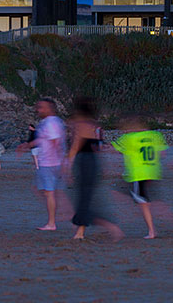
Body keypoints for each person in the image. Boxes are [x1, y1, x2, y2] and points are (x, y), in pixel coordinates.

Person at [67, 98, 122, 241]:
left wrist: (67, 166)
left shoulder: (80, 125)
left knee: (84, 197)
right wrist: (103, 168)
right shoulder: (95, 126)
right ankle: (81, 230)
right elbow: (98, 148)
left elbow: (75, 146)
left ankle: (104, 228)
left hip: (83, 161)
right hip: (93, 162)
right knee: (87, 197)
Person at [112, 115, 169, 239]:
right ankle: (169, 221)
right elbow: (163, 153)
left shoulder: (129, 138)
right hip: (153, 172)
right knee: (149, 199)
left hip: (138, 174)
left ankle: (152, 231)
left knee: (143, 203)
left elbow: (114, 148)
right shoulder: (154, 135)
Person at [17, 98, 66, 231]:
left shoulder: (51, 122)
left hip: (50, 163)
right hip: (49, 162)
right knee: (42, 190)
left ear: (49, 109)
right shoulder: (49, 122)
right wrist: (27, 145)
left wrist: (61, 162)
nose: (37, 110)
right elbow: (42, 139)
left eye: (41, 107)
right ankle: (59, 214)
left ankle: (52, 222)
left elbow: (55, 142)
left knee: (49, 192)